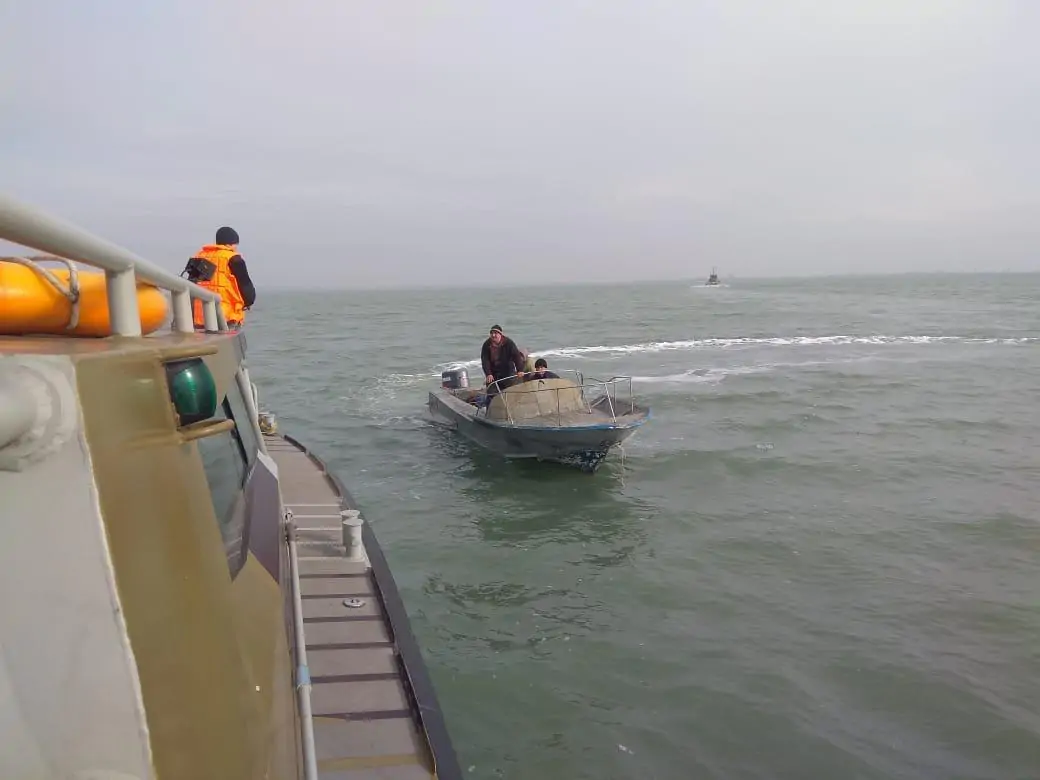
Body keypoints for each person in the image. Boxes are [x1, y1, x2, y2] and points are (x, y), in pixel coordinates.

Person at [183, 226, 256, 330]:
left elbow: (191, 283)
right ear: (230, 243)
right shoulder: (233, 258)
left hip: (198, 317)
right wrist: (249, 301)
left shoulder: (199, 256)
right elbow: (245, 284)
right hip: (225, 316)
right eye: (236, 244)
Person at [480, 324, 526, 393]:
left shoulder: (509, 343)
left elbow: (516, 356)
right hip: (494, 372)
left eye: (495, 333)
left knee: (511, 389)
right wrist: (488, 373)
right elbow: (485, 360)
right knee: (491, 390)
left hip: (507, 370)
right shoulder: (487, 344)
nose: (493, 335)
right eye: (491, 333)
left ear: (500, 334)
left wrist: (520, 370)